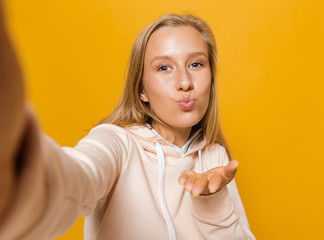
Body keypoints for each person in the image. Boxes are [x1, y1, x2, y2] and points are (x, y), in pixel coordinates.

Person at [0, 2, 256, 239]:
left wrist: (213, 202)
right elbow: (74, 179)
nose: (185, 82)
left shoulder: (216, 158)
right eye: (164, 68)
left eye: (196, 64)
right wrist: (12, 161)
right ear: (141, 90)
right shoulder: (116, 142)